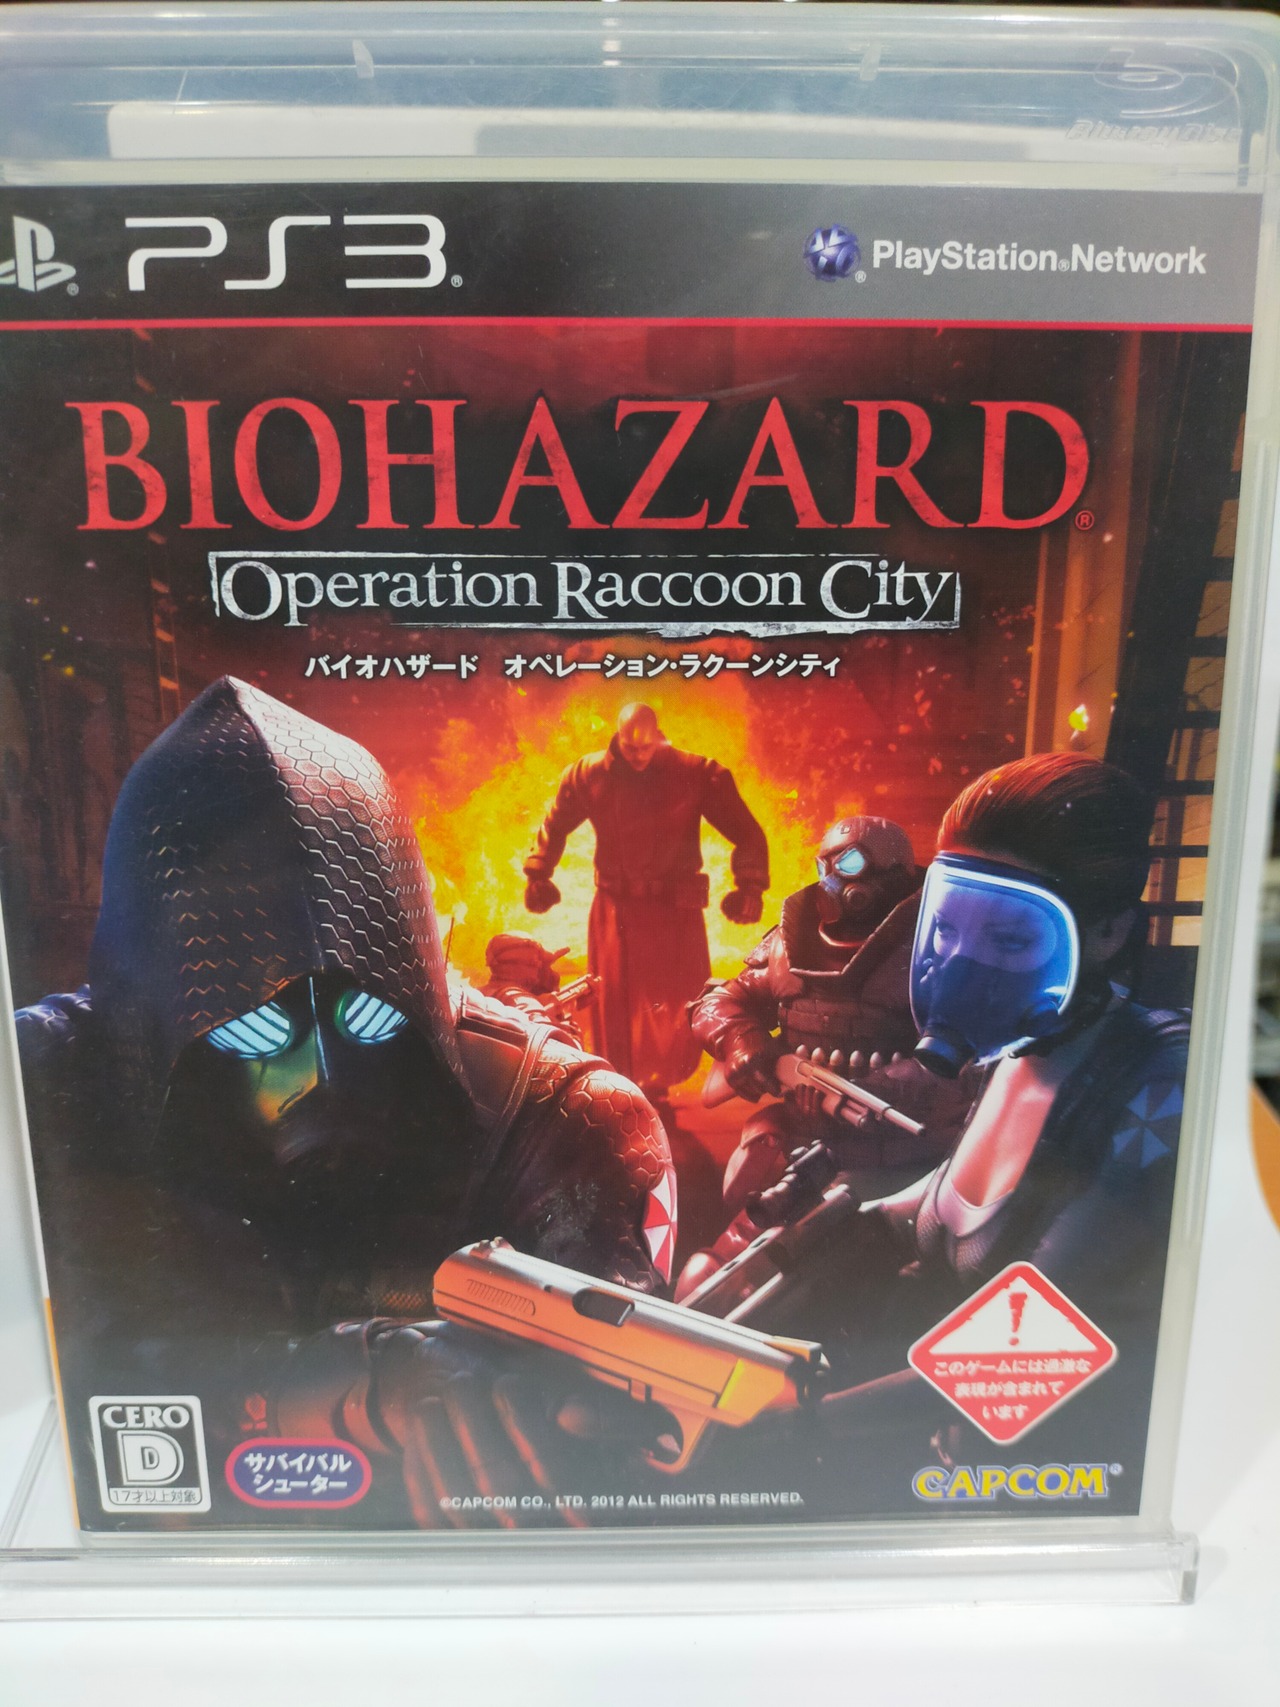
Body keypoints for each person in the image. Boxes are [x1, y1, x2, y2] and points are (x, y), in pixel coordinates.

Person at [16, 678, 675, 1527]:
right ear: (157, 1009)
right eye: (260, 1030)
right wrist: (350, 1385)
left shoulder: (560, 1116)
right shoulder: (44, 1090)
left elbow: (617, 1404)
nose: (320, 1072)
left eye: (366, 1016)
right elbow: (52, 1385)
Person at [726, 752, 1188, 1502]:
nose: (960, 967)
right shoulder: (1008, 1053)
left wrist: (792, 1422)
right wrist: (782, 1255)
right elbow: (932, 1212)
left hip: (1048, 1502)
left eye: (1010, 941)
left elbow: (1028, 1347)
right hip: (948, 1468)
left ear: (1107, 932)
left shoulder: (1159, 1085)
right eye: (944, 929)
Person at [687, 814, 961, 1214]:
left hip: (906, 1158)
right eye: (825, 867)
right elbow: (718, 1001)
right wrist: (742, 1042)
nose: (832, 880)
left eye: (850, 864)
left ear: (895, 875)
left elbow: (965, 1056)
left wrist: (879, 1091)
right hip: (804, 1147)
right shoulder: (790, 944)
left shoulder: (936, 948)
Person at [523, 702, 769, 1100]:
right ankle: (622, 1084)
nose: (638, 756)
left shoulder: (695, 773)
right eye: (630, 747)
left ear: (657, 737)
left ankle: (656, 1086)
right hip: (615, 908)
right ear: (618, 738)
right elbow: (556, 822)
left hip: (674, 911)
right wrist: (539, 872)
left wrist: (750, 885)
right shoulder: (589, 775)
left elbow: (746, 831)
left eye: (645, 747)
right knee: (614, 1004)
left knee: (674, 1005)